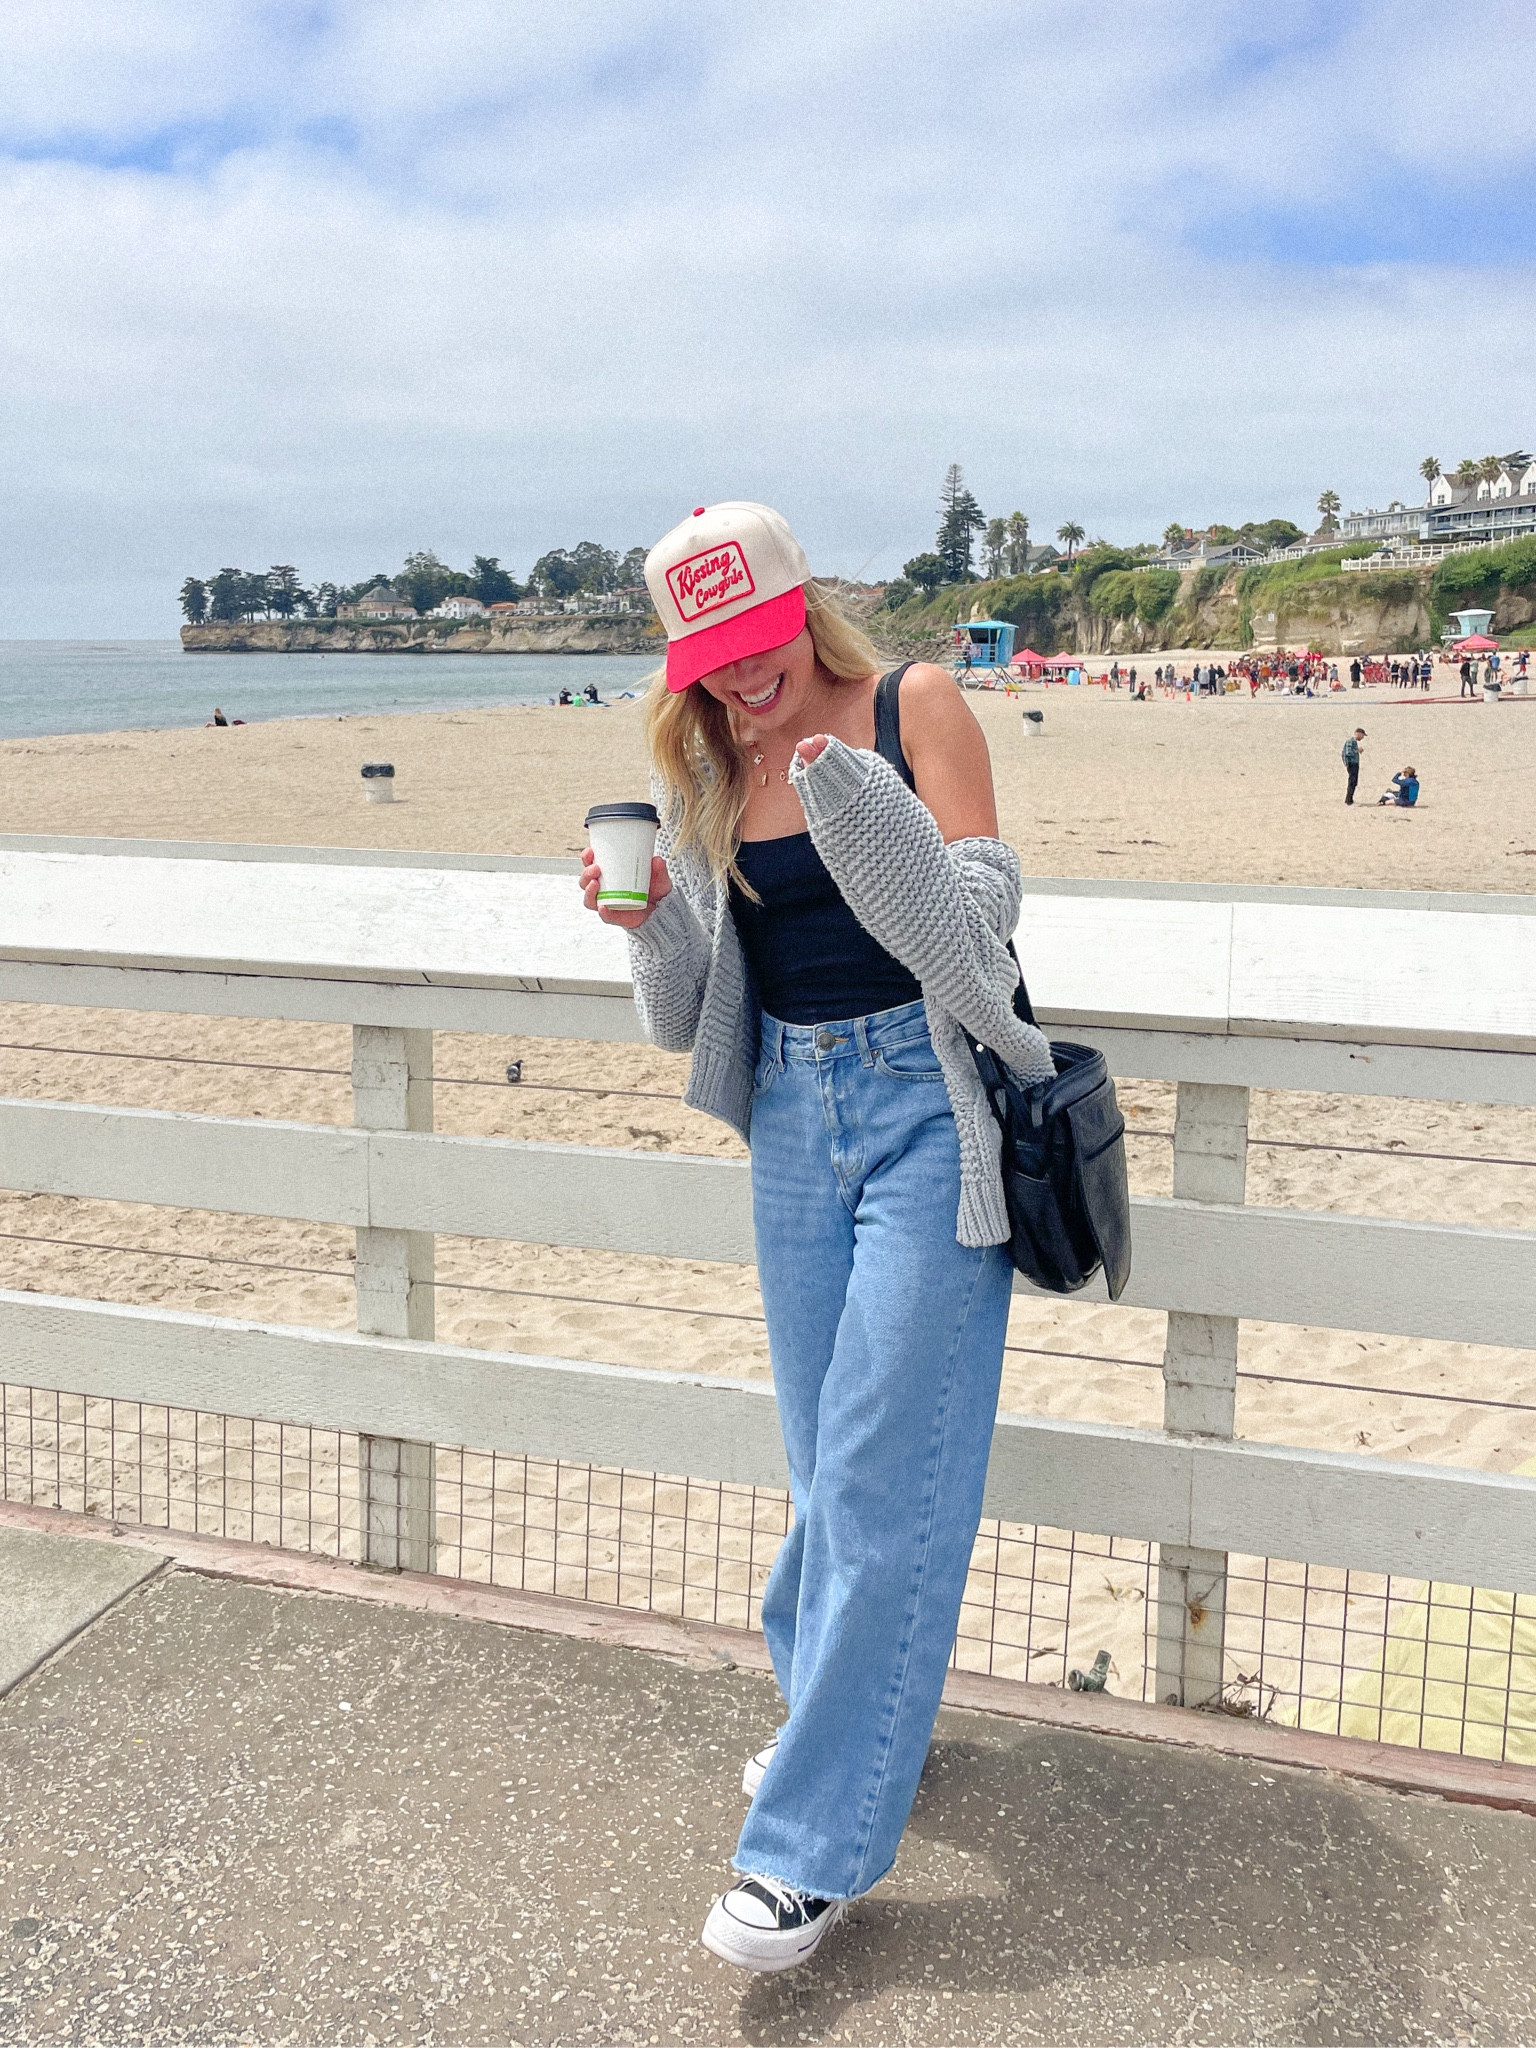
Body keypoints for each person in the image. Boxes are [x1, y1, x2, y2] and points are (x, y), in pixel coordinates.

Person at [580, 501, 1054, 1974]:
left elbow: (976, 956)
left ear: (803, 610)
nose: (738, 684)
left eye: (755, 645)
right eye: (708, 662)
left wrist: (858, 811)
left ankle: (811, 1846)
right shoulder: (714, 759)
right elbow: (690, 1018)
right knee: (821, 1455)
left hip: (931, 1112)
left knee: (875, 1469)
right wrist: (653, 918)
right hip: (793, 1116)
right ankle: (858, 1728)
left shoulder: (916, 707)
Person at [1342, 728, 1365, 805]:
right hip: (1352, 764)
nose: (1362, 738)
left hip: (1353, 764)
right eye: (1362, 735)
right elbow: (1348, 753)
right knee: (1352, 782)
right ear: (1358, 733)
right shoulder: (1351, 741)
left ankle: (1350, 799)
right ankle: (1348, 800)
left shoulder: (1353, 741)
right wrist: (1357, 750)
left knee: (1354, 782)